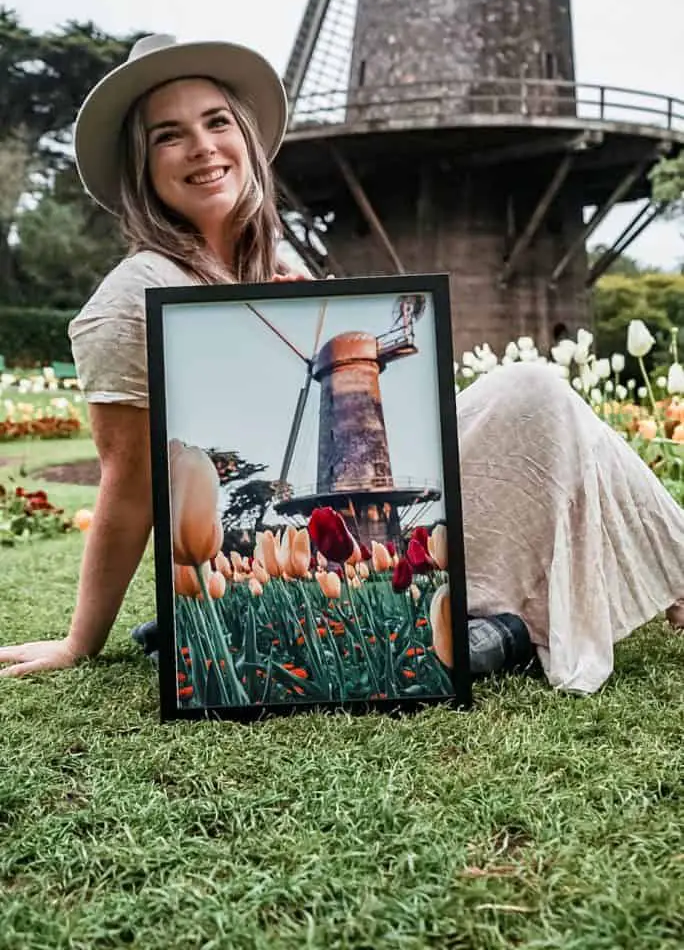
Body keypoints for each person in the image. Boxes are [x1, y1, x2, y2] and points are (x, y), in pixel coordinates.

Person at [0, 34, 681, 692]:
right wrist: (79, 640)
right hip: (278, 523)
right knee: (540, 391)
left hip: (340, 521)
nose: (203, 147)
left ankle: (522, 615)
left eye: (216, 122)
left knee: (536, 391)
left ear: (245, 138)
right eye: (169, 136)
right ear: (141, 168)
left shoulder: (278, 270)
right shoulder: (132, 296)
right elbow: (128, 480)